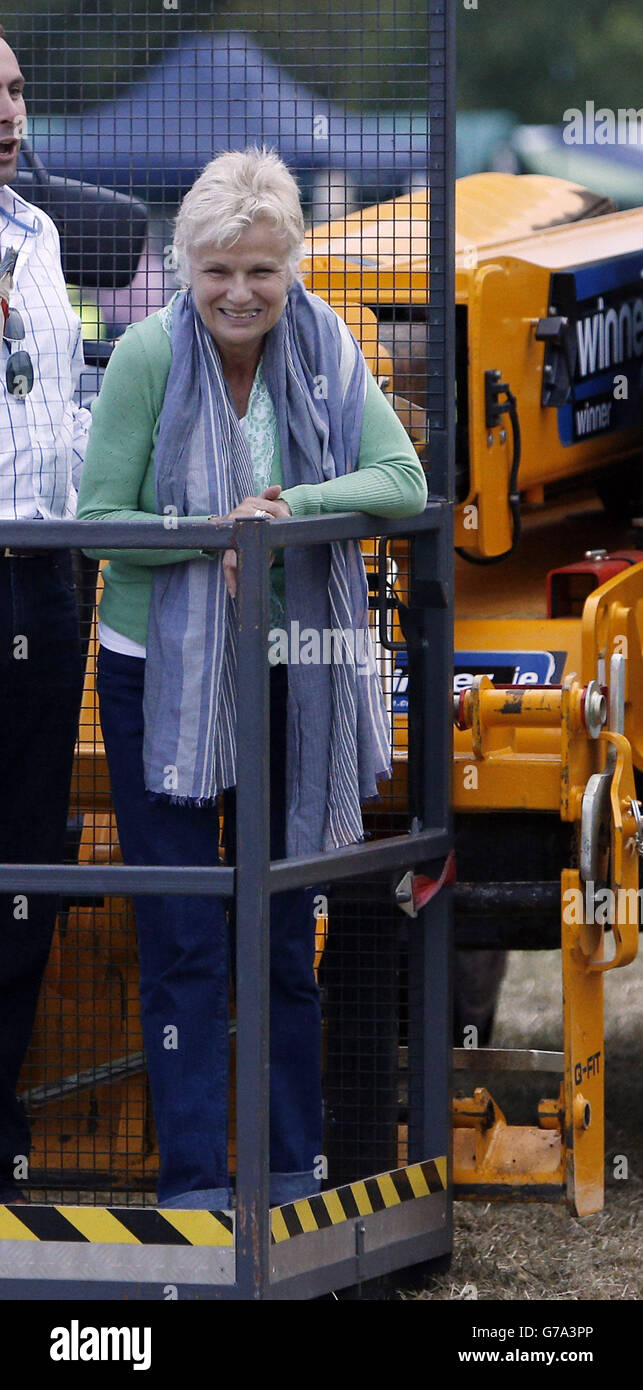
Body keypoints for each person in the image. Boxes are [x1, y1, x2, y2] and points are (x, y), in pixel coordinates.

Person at [77, 147, 427, 1210]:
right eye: (218, 269)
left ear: (293, 270)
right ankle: (193, 1190)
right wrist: (203, 539)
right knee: (183, 933)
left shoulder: (326, 350)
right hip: (160, 683)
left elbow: (400, 476)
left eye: (261, 271)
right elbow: (98, 526)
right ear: (186, 266)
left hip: (289, 674)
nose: (239, 293)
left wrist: (284, 515)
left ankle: (286, 1182)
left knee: (281, 929)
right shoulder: (144, 355)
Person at [0, 29, 89, 1203]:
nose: (6, 112)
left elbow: (58, 405)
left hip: (47, 574)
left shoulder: (39, 234)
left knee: (27, 848)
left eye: (15, 89)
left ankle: (3, 1105)